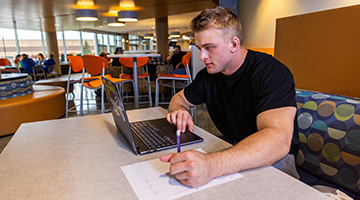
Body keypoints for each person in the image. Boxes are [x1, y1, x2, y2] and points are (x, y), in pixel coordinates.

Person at [160, 7, 300, 188]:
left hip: (276, 157)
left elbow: (278, 141)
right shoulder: (208, 76)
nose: (202, 56)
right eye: (200, 48)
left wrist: (212, 165)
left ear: (234, 44)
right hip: (232, 145)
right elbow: (178, 99)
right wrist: (179, 111)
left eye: (209, 48)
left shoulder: (271, 73)